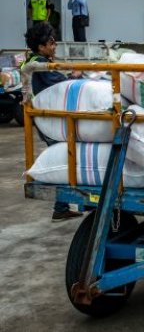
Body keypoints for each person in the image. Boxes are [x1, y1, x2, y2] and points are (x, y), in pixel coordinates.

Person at [23, 23, 83, 221]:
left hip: (48, 120)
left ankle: (63, 206)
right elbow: (58, 82)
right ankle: (61, 207)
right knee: (66, 158)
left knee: (67, 157)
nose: (55, 45)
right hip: (49, 122)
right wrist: (73, 76)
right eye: (51, 42)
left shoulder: (36, 60)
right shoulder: (40, 64)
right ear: (41, 46)